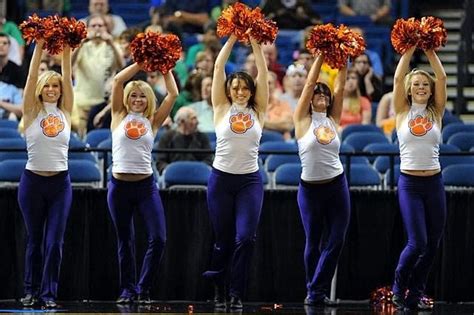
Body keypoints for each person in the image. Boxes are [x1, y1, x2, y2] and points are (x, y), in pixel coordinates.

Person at [203, 34, 268, 309]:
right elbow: (218, 68)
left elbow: (262, 71)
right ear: (229, 90)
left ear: (251, 91)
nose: (240, 92)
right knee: (222, 240)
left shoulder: (259, 110)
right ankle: (219, 285)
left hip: (249, 182)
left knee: (246, 238)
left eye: (245, 88)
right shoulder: (220, 108)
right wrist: (233, 35)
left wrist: (253, 39)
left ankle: (236, 292)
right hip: (220, 181)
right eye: (236, 88)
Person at [107, 61, 178, 304]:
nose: (137, 99)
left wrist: (164, 64)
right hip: (119, 188)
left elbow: (173, 94)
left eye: (142, 96)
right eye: (133, 95)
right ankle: (127, 291)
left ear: (149, 99)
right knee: (125, 241)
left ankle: (143, 288)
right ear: (126, 99)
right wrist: (140, 61)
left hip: (146, 187)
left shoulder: (154, 121)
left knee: (158, 238)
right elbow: (118, 80)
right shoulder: (117, 115)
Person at [17, 40, 73, 308]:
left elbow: (68, 73)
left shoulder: (66, 111)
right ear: (40, 90)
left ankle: (49, 293)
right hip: (32, 183)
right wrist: (38, 46)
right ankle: (30, 290)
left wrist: (66, 49)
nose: (51, 90)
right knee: (35, 241)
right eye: (47, 86)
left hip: (60, 184)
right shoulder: (30, 111)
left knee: (54, 243)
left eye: (56, 86)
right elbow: (30, 75)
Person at [391, 46, 447, 310]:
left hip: (434, 183)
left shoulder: (437, 111)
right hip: (410, 184)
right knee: (417, 242)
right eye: (416, 84)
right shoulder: (402, 111)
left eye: (425, 83)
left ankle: (415, 295)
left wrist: (430, 50)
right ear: (409, 89)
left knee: (433, 244)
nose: (422, 87)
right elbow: (396, 78)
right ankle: (398, 286)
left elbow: (443, 79)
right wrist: (410, 48)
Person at [293, 53, 350, 306]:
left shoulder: (332, 119)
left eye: (326, 95)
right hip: (310, 190)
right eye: (319, 94)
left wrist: (343, 56)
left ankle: (316, 291)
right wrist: (319, 56)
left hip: (337, 186)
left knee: (336, 239)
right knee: (313, 243)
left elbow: (340, 85)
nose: (324, 98)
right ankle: (314, 290)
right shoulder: (302, 120)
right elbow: (309, 83)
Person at [156, 106, 213, 173]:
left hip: (197, 175)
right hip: (173, 176)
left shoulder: (202, 137)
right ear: (182, 121)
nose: (197, 122)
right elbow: (161, 162)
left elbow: (208, 160)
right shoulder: (167, 137)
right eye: (193, 118)